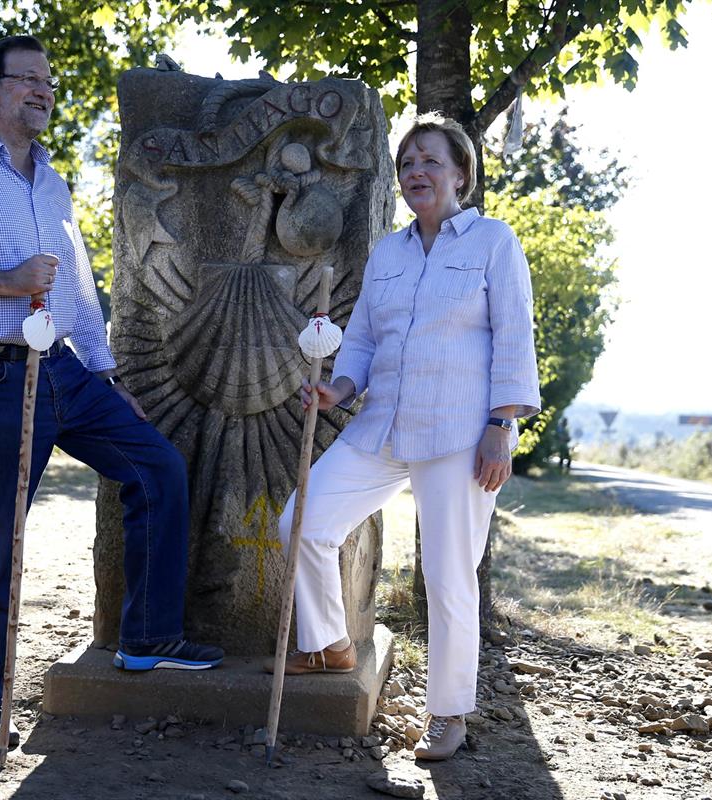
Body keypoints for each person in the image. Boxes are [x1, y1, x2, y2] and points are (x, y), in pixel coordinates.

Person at [0, 35, 222, 750]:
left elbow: (75, 287)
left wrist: (107, 377)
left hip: (66, 370)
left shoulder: (53, 182)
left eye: (48, 81)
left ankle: (147, 636)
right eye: (27, 80)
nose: (42, 90)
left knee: (156, 466)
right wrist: (3, 281)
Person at [267, 112, 540, 761]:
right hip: (382, 420)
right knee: (300, 520)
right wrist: (340, 387)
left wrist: (502, 425)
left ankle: (448, 713)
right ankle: (331, 643)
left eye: (431, 161)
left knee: (448, 577)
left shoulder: (493, 243)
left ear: (461, 175)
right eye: (408, 162)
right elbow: (360, 337)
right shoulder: (388, 252)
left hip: (461, 431)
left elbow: (515, 336)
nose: (417, 171)